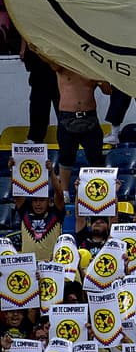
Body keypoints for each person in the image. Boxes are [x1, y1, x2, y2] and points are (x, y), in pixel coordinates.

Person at [54, 65, 107, 194]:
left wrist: (99, 79)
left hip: (90, 117)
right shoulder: (61, 64)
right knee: (66, 157)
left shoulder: (93, 66)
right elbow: (48, 56)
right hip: (67, 116)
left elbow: (108, 91)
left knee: (96, 157)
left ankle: (100, 191)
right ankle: (64, 192)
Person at [12, 158, 65, 261]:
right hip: (28, 267)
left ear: (49, 201)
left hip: (51, 266)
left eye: (42, 200)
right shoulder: (25, 212)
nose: (38, 204)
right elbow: (17, 192)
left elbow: (59, 194)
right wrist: (14, 169)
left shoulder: (56, 213)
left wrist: (51, 173)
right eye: (35, 200)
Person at [21, 40, 58, 145]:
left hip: (57, 56)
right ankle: (35, 137)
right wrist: (23, 48)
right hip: (38, 59)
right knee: (38, 103)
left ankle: (71, 139)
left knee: (64, 106)